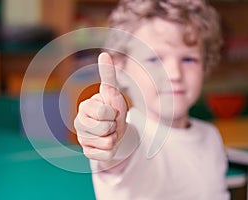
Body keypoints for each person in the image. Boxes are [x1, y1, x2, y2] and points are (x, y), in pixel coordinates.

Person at [74, 0, 230, 199]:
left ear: (205, 64)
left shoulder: (211, 137)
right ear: (121, 67)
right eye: (154, 59)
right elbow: (121, 148)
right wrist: (108, 133)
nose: (174, 74)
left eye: (189, 59)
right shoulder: (130, 138)